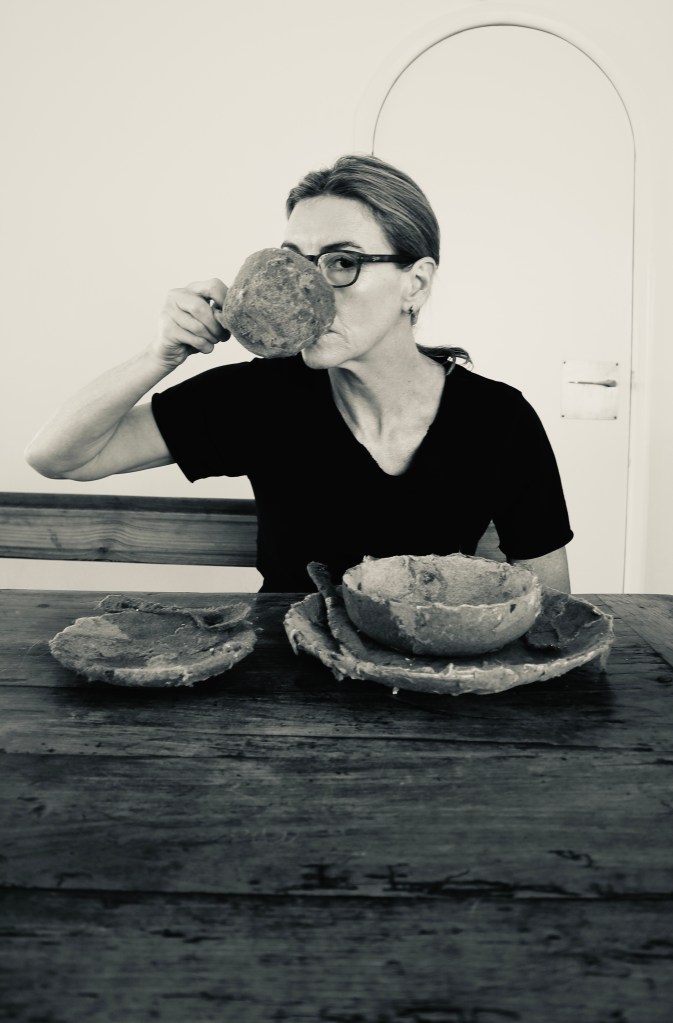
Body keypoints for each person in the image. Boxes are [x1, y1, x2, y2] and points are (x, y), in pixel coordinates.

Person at [25, 154, 573, 592]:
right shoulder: (261, 395)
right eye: (295, 262)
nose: (307, 290)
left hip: (427, 674)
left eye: (343, 262)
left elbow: (551, 607)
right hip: (280, 675)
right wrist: (159, 356)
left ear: (416, 283)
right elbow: (59, 457)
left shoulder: (500, 420)